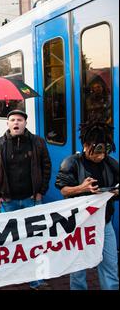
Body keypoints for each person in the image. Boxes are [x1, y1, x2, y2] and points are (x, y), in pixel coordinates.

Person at [0, 109, 51, 290]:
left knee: (35, 241)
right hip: (8, 202)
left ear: (25, 123)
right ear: (7, 124)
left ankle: (36, 280)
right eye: (13, 120)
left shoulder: (37, 142)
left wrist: (41, 192)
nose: (16, 123)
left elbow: (47, 166)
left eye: (20, 120)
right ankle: (11, 276)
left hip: (32, 200)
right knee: (9, 242)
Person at [55, 122, 118, 290]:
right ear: (85, 146)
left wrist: (115, 192)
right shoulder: (71, 163)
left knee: (110, 267)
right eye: (97, 151)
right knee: (78, 268)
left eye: (105, 150)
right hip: (80, 225)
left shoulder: (111, 163)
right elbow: (64, 190)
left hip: (104, 223)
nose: (101, 155)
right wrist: (82, 187)